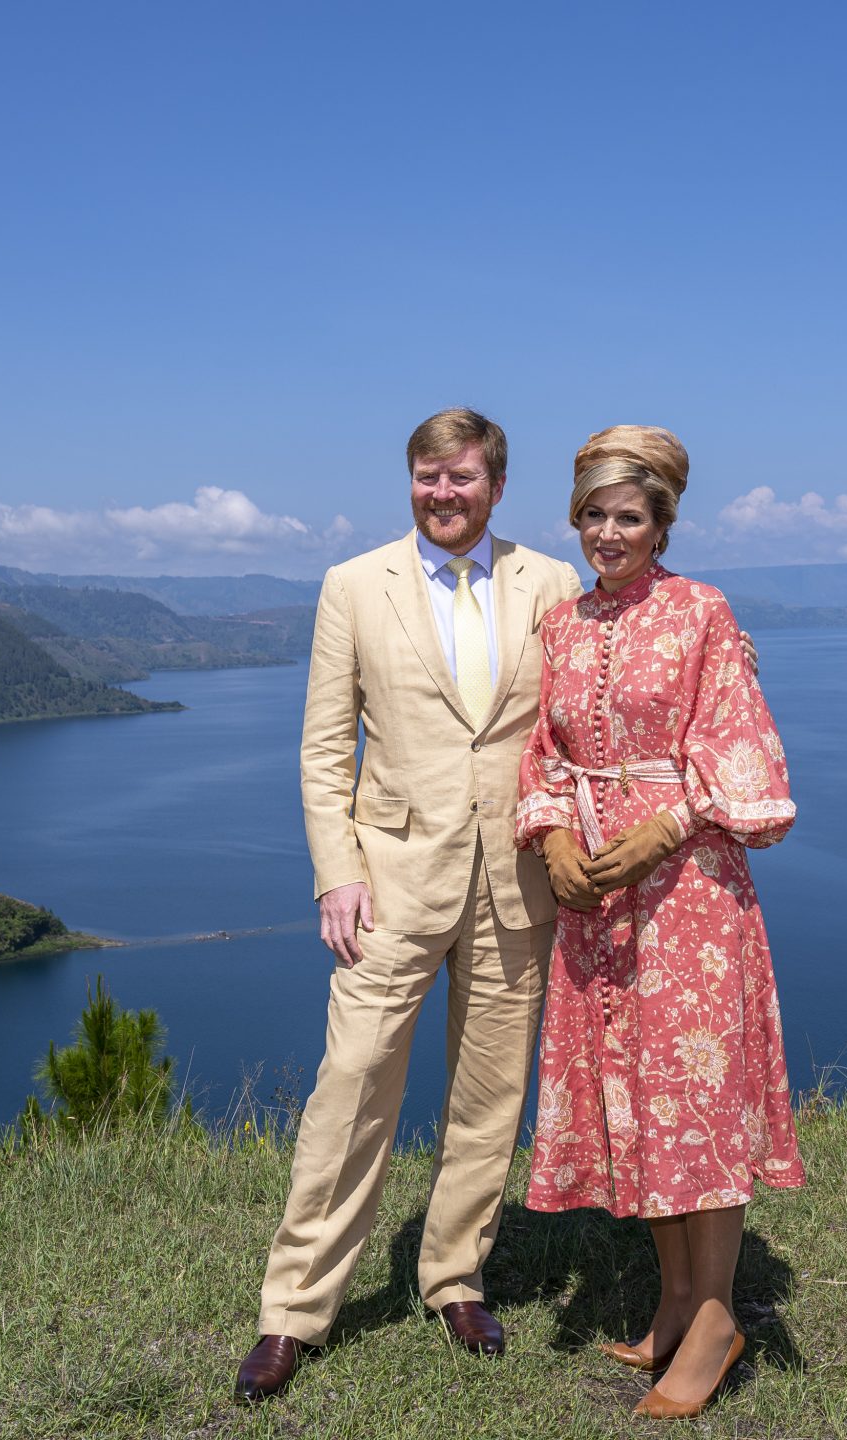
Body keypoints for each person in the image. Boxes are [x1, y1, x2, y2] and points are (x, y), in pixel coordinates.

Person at [237, 407, 583, 1403]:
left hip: (514, 882)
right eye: (428, 476)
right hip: (388, 884)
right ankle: (293, 1310)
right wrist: (335, 869)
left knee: (488, 1103)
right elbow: (320, 746)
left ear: (495, 487)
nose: (443, 493)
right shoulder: (353, 585)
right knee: (350, 1090)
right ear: (411, 482)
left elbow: (571, 725)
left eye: (462, 478)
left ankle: (453, 1278)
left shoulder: (548, 584)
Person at [515, 424, 803, 1420]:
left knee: (698, 1100)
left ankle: (718, 1313)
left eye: (626, 515)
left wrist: (664, 828)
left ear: (661, 522)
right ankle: (676, 1298)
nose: (606, 531)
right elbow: (544, 755)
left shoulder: (702, 613)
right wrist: (550, 835)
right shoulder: (561, 627)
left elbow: (739, 749)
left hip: (686, 897)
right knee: (642, 1100)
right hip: (597, 899)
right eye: (591, 513)